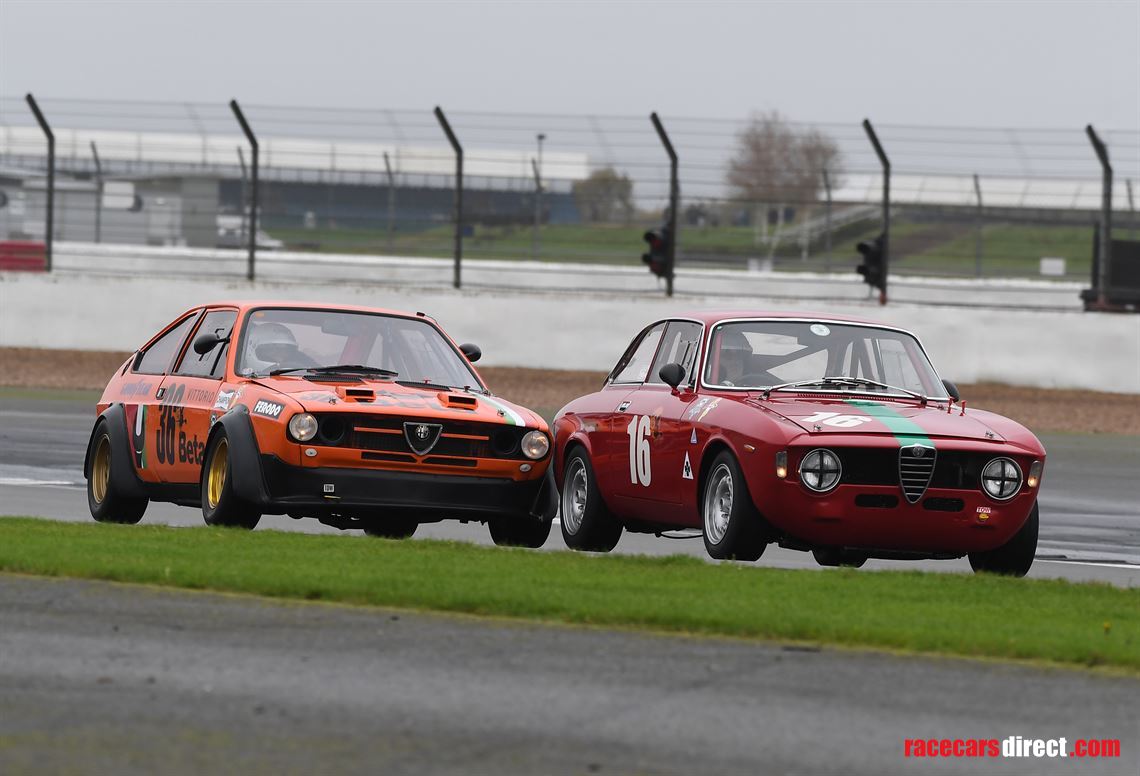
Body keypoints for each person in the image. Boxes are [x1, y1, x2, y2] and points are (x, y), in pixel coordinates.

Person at [242, 321, 316, 374]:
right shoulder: (240, 377)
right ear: (251, 351)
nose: (281, 355)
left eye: (286, 349)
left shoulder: (307, 369)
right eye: (271, 349)